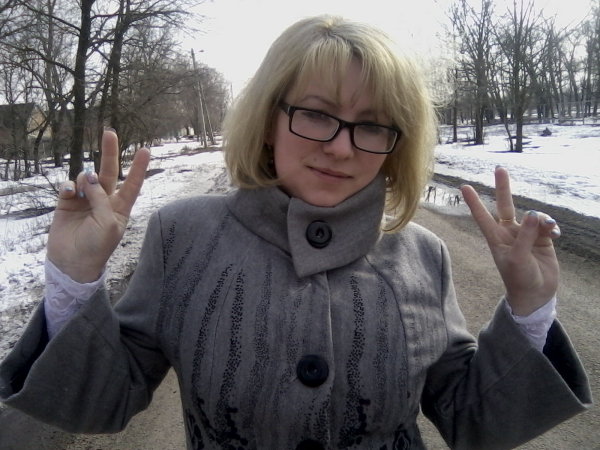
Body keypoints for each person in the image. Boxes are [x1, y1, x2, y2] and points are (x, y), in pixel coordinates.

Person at [0, 15, 591, 450]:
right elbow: (101, 403)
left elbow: (474, 421)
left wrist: (529, 309)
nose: (340, 147)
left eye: (372, 125)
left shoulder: (423, 254)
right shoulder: (181, 235)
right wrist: (74, 281)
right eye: (315, 113)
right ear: (268, 121)